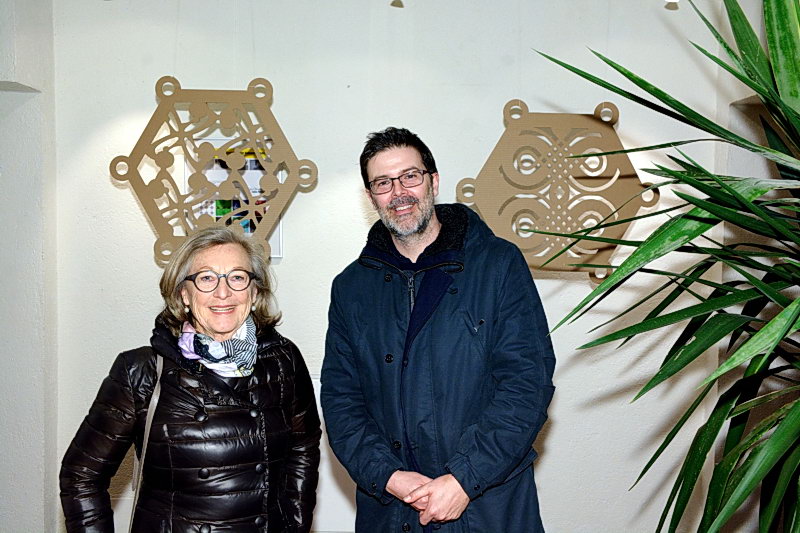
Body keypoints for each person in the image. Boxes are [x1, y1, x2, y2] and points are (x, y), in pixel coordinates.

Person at [321, 127, 556, 532]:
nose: (399, 192)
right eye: (383, 183)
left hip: (486, 505)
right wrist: (389, 476)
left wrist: (465, 478)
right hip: (392, 510)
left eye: (410, 176)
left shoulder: (499, 265)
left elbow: (526, 384)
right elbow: (341, 401)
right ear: (371, 196)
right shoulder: (350, 287)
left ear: (433, 181)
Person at [60, 227, 321, 533]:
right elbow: (81, 476)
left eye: (237, 277)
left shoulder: (283, 360)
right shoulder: (141, 371)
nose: (223, 292)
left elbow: (303, 447)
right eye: (206, 278)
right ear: (184, 294)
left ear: (254, 293)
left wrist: (296, 525)